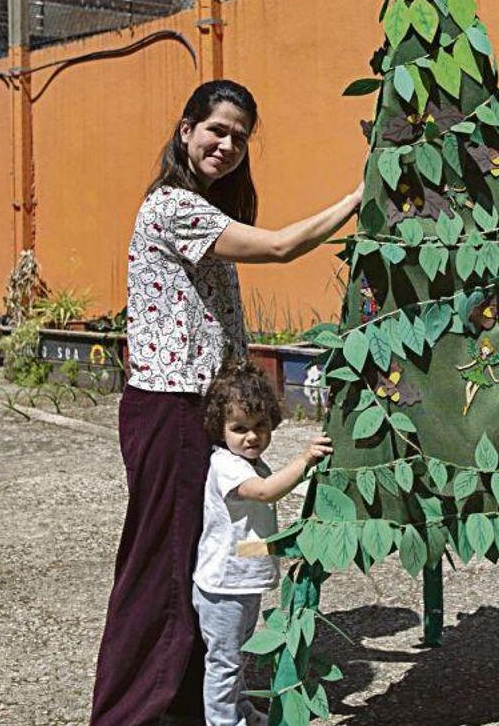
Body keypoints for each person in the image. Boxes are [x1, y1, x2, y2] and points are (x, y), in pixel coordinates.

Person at [88, 79, 361, 726]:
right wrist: (358, 200)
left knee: (195, 561)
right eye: (217, 129)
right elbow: (278, 246)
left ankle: (184, 707)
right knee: (160, 565)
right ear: (186, 131)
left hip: (198, 410)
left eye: (240, 136)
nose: (228, 144)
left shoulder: (203, 210)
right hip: (170, 409)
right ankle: (128, 714)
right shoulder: (174, 208)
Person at [193, 357, 332, 726]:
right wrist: (304, 459)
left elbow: (252, 534)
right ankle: (221, 721)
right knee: (223, 662)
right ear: (219, 428)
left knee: (237, 655)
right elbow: (268, 492)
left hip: (243, 579)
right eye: (239, 428)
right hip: (222, 587)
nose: (252, 436)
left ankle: (239, 711)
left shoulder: (250, 462)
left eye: (260, 426)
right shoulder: (226, 466)